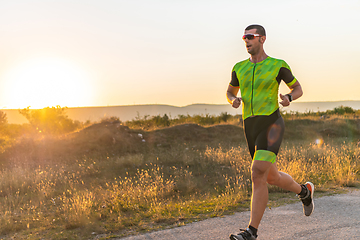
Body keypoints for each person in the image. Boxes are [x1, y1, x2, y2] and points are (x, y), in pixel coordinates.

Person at [226, 24, 314, 240]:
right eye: (244, 37)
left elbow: (298, 88)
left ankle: (251, 231)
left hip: (272, 123)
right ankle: (304, 191)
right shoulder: (239, 68)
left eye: (251, 37)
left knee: (257, 173)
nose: (246, 41)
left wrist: (289, 98)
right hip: (250, 126)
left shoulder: (277, 65)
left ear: (262, 39)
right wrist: (233, 100)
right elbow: (229, 91)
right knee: (271, 177)